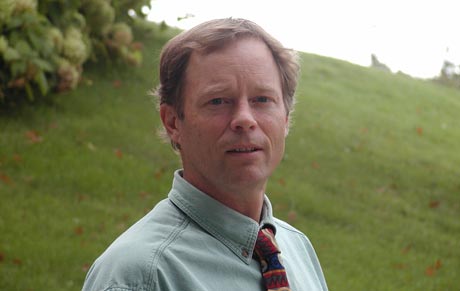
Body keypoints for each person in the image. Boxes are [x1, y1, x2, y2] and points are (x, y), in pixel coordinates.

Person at [82, 18, 328, 291]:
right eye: (218, 101)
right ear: (173, 122)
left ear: (285, 118)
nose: (244, 119)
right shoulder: (141, 277)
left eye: (262, 99)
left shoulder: (298, 248)